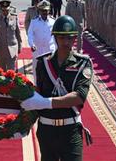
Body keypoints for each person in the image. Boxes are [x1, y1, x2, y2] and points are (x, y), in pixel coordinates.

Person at [21, 15, 93, 161]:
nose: (66, 42)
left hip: (71, 130)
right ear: (54, 38)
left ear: (75, 39)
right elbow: (38, 93)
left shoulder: (83, 63)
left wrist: (47, 103)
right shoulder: (43, 63)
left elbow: (79, 96)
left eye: (69, 38)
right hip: (47, 130)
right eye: (61, 37)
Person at [0, 0, 22, 71]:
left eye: (7, 10)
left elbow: (18, 33)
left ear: (9, 9)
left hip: (12, 48)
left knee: (11, 71)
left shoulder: (14, 18)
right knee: (2, 71)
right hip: (1, 49)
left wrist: (20, 45)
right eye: (3, 10)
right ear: (1, 10)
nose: (5, 12)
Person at [27, 0, 56, 84]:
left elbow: (56, 36)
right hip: (38, 51)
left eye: (46, 10)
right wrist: (32, 44)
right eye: (43, 11)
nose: (45, 12)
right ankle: (37, 87)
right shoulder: (34, 21)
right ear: (39, 11)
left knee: (51, 71)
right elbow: (30, 34)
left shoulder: (53, 21)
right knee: (37, 71)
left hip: (50, 50)